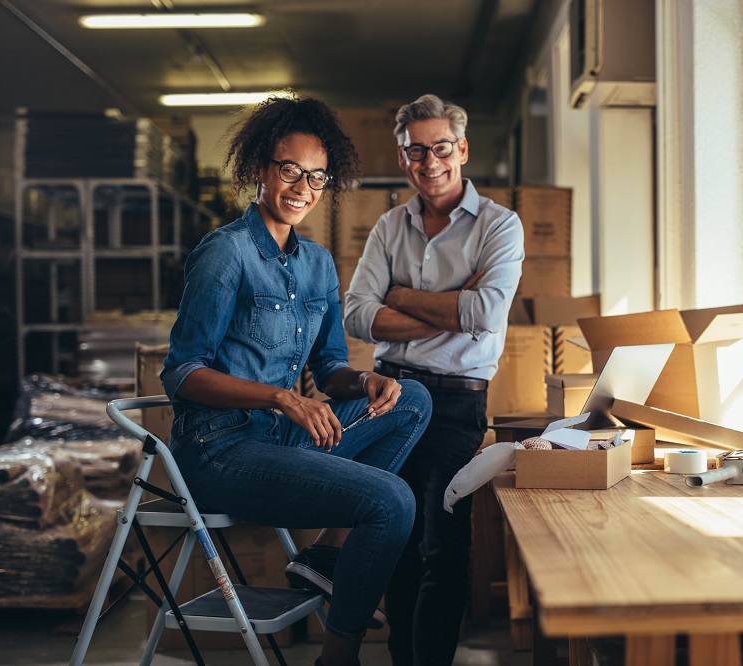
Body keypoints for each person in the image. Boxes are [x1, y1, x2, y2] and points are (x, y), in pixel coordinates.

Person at [160, 93, 432, 666]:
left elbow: (330, 370)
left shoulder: (316, 263)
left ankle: (326, 556)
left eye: (317, 176)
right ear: (260, 167)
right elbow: (181, 373)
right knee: (392, 502)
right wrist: (280, 398)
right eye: (291, 170)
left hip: (282, 440)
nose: (303, 187)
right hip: (220, 448)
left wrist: (365, 383)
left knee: (410, 398)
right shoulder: (226, 253)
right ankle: (339, 655)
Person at [343, 93, 525, 666]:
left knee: (442, 547)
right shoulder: (388, 227)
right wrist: (449, 304)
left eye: (441, 148)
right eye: (416, 151)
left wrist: (399, 299)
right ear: (402, 159)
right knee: (393, 537)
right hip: (389, 394)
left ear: (462, 149)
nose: (430, 162)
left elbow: (486, 314)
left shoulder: (501, 226)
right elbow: (356, 315)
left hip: (455, 404)